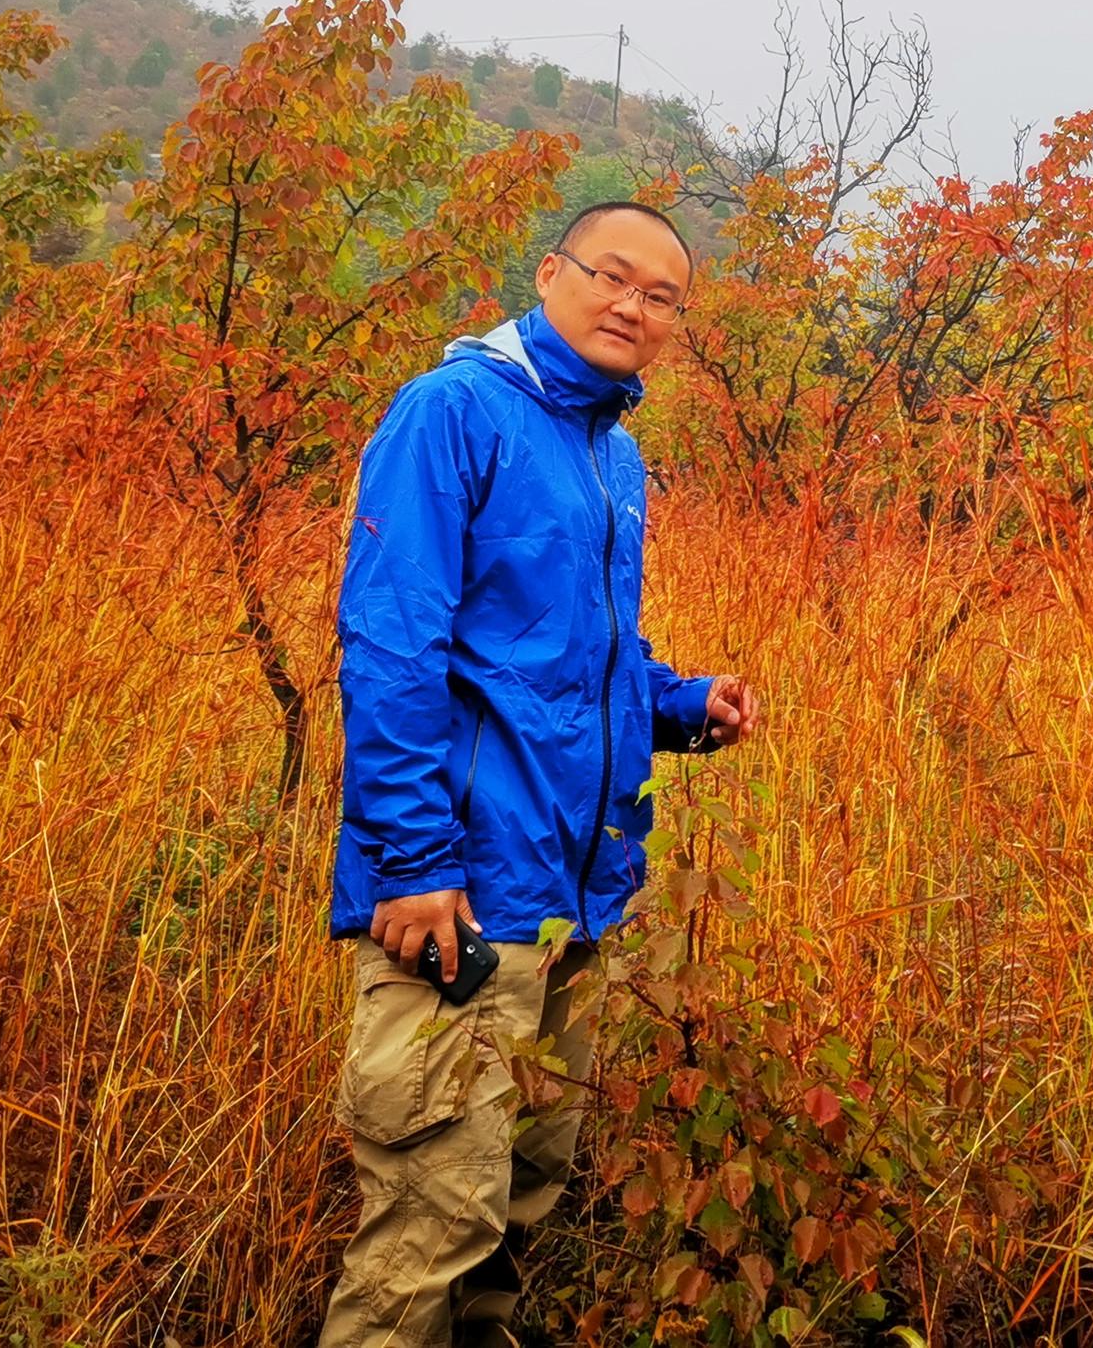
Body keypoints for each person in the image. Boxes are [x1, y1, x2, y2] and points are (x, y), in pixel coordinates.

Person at [318, 200, 760, 1348]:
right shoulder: (452, 412)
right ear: (551, 272)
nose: (635, 307)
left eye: (662, 298)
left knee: (516, 1204)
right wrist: (413, 864)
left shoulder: (613, 453)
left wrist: (681, 704)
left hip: (573, 901)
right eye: (614, 278)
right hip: (461, 893)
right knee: (431, 1221)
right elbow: (393, 647)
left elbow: (570, 661)